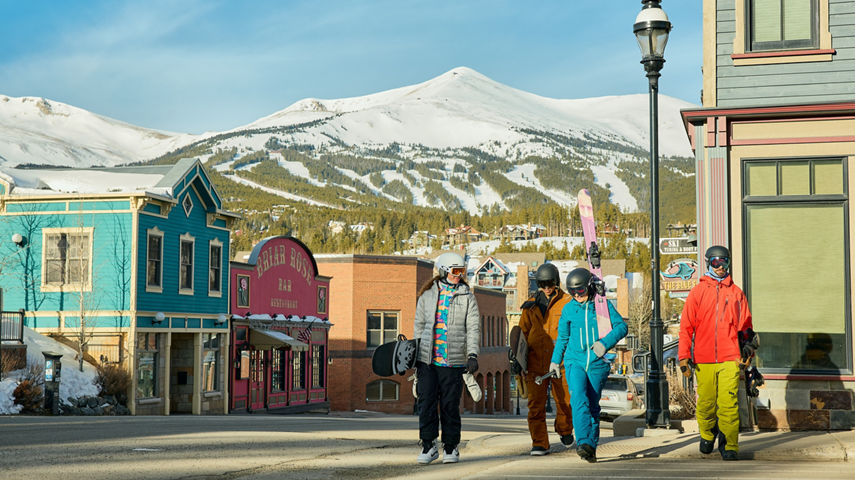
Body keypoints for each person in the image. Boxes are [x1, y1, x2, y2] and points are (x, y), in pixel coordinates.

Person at [678, 245, 753, 461]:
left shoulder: (736, 292)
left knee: (729, 403)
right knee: (706, 403)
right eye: (714, 263)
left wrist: (748, 351)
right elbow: (686, 327)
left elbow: (746, 326)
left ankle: (730, 445)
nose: (719, 267)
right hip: (704, 357)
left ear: (728, 263)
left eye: (723, 262)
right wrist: (684, 356)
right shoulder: (698, 292)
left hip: (730, 357)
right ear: (708, 263)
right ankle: (707, 433)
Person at [549, 267, 627, 463]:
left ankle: (590, 446)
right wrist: (555, 361)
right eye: (572, 292)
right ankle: (582, 441)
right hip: (574, 361)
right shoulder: (568, 309)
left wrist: (604, 344)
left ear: (589, 288)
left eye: (581, 291)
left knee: (593, 405)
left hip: (596, 363)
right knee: (579, 398)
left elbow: (622, 327)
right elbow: (562, 338)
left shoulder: (601, 306)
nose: (577, 295)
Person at [413, 252, 481, 465]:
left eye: (462, 272)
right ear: (443, 270)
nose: (458, 276)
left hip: (453, 361)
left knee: (450, 405)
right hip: (428, 360)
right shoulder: (427, 296)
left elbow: (473, 328)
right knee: (426, 404)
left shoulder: (467, 297)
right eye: (455, 271)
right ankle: (428, 445)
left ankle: (451, 447)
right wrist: (415, 354)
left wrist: (472, 354)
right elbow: (419, 327)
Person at [518, 263, 574, 456]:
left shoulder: (568, 302)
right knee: (535, 405)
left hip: (561, 362)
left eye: (550, 283)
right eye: (542, 284)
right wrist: (517, 357)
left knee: (565, 402)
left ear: (556, 282)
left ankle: (565, 429)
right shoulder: (530, 304)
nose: (547, 288)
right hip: (535, 362)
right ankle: (540, 443)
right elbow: (522, 332)